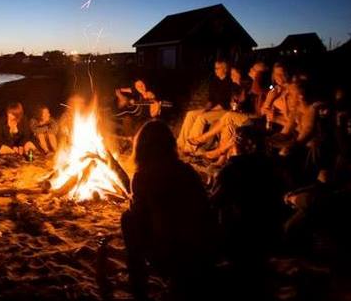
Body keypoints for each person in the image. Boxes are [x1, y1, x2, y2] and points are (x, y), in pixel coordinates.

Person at [93, 121, 215, 299]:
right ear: (170, 145)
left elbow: (140, 217)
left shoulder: (142, 177)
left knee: (128, 219)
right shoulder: (187, 171)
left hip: (172, 257)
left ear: (141, 147)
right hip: (203, 253)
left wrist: (135, 202)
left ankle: (139, 286)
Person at [210, 125, 285, 269]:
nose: (233, 142)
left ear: (249, 144)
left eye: (237, 139)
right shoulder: (273, 164)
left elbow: (215, 201)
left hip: (240, 233)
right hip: (269, 233)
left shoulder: (233, 168)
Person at [177, 59, 233, 154]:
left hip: (223, 110)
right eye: (215, 68)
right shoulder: (215, 81)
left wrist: (209, 111)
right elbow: (211, 99)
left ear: (225, 69)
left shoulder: (229, 83)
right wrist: (206, 108)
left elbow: (224, 104)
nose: (215, 70)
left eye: (217, 68)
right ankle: (180, 144)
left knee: (201, 118)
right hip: (213, 108)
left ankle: (190, 147)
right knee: (191, 114)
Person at [261, 63, 295, 130]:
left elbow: (292, 122)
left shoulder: (292, 92)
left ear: (288, 74)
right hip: (271, 124)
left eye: (282, 74)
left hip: (284, 129)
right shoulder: (276, 89)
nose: (278, 77)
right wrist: (268, 102)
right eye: (276, 74)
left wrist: (276, 118)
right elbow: (262, 111)